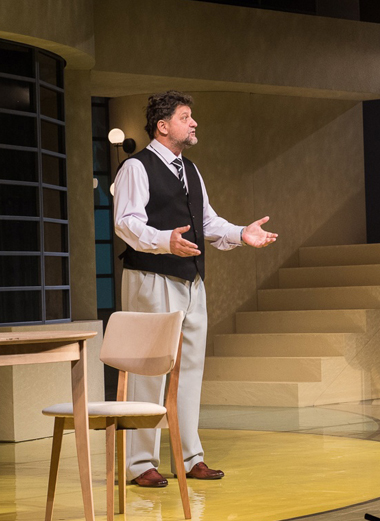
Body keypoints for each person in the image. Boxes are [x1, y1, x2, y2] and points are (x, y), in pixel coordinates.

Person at [113, 90, 278, 487]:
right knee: (148, 370)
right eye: (185, 117)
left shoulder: (190, 169)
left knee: (189, 369)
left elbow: (206, 222)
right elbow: (126, 222)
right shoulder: (137, 167)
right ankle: (140, 464)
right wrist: (163, 240)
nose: (194, 123)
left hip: (191, 279)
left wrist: (240, 233)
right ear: (163, 126)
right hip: (151, 276)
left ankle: (189, 457)